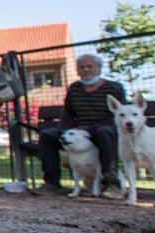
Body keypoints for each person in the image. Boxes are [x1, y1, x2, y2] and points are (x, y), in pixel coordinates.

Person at [31, 54, 126, 198]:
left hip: (103, 129)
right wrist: (64, 131)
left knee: (105, 132)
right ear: (77, 70)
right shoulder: (74, 88)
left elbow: (118, 114)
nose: (85, 70)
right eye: (81, 67)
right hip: (78, 131)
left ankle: (112, 184)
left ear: (99, 69)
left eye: (89, 66)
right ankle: (51, 183)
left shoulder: (114, 87)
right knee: (47, 135)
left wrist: (88, 129)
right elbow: (68, 113)